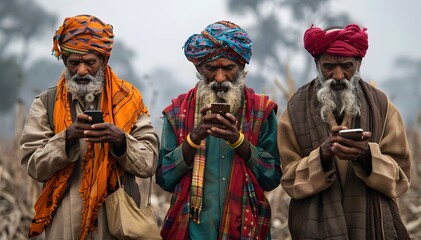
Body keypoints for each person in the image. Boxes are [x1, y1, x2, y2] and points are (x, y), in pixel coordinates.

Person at [19, 15, 159, 239]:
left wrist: (120, 140)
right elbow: (34, 166)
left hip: (117, 223)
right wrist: (68, 137)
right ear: (64, 61)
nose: (81, 71)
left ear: (104, 61)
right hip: (65, 225)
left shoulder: (128, 99)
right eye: (74, 62)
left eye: (90, 62)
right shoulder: (45, 103)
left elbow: (148, 163)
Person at [278, 24, 411, 239]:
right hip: (315, 229)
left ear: (358, 64)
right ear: (317, 64)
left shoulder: (383, 107)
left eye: (347, 66)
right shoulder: (294, 110)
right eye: (329, 66)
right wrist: (323, 155)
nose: (338, 75)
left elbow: (401, 177)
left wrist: (366, 156)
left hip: (372, 227)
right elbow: (289, 179)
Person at [156, 20, 281, 240]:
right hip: (191, 232)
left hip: (246, 230)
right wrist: (194, 138)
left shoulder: (262, 111)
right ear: (198, 68)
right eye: (211, 69)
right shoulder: (177, 113)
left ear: (242, 68)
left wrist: (238, 140)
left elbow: (272, 177)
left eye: (228, 68)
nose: (220, 78)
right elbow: (164, 179)